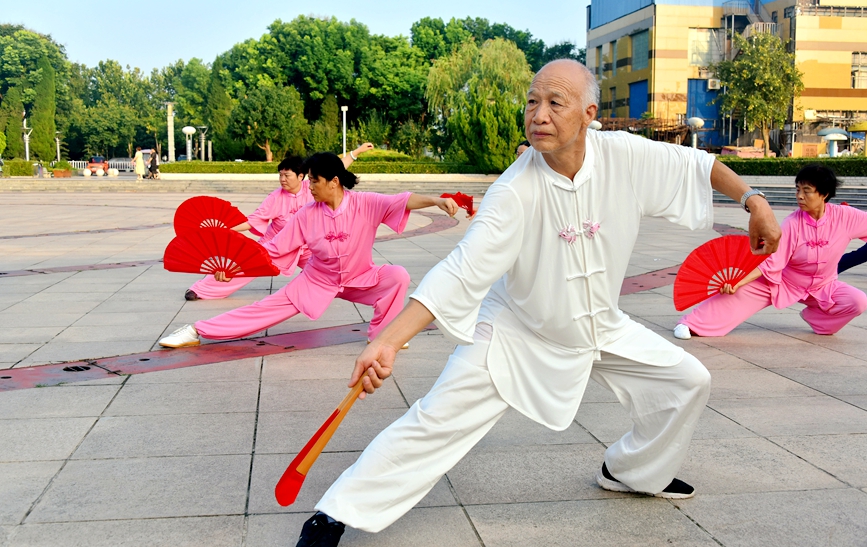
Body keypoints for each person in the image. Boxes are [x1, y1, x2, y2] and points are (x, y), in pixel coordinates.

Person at [292, 59, 781, 547]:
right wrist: (389, 341)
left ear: (589, 112)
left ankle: (631, 471)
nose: (538, 114)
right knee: (436, 418)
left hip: (601, 326)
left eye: (554, 102)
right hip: (516, 330)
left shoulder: (626, 156)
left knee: (688, 380)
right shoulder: (513, 190)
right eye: (531, 101)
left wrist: (755, 202)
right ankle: (335, 513)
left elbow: (698, 165)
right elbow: (461, 270)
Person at [158, 152, 461, 349]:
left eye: (314, 181)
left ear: (334, 182)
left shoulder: (366, 203)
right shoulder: (306, 214)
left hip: (360, 278)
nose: (309, 187)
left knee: (397, 276)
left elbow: (404, 200)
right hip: (316, 281)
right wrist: (235, 269)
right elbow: (272, 250)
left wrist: (436, 200)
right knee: (261, 311)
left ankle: (382, 337)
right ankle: (197, 330)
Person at [675, 163, 867, 340]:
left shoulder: (845, 217)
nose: (799, 196)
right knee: (738, 293)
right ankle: (692, 324)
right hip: (784, 281)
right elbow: (772, 261)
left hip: (824, 286)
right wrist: (737, 282)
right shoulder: (792, 223)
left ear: (824, 194)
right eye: (797, 190)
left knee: (858, 301)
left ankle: (819, 321)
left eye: (806, 191)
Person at [184, 144, 375, 301]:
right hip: (276, 245)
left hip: (306, 247)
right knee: (243, 263)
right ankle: (201, 289)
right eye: (280, 175)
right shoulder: (275, 198)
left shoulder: (314, 187)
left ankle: (352, 290)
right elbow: (253, 221)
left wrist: (356, 152)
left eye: (287, 175)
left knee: (333, 268)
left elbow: (338, 167)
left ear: (301, 176)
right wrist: (223, 230)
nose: (282, 180)